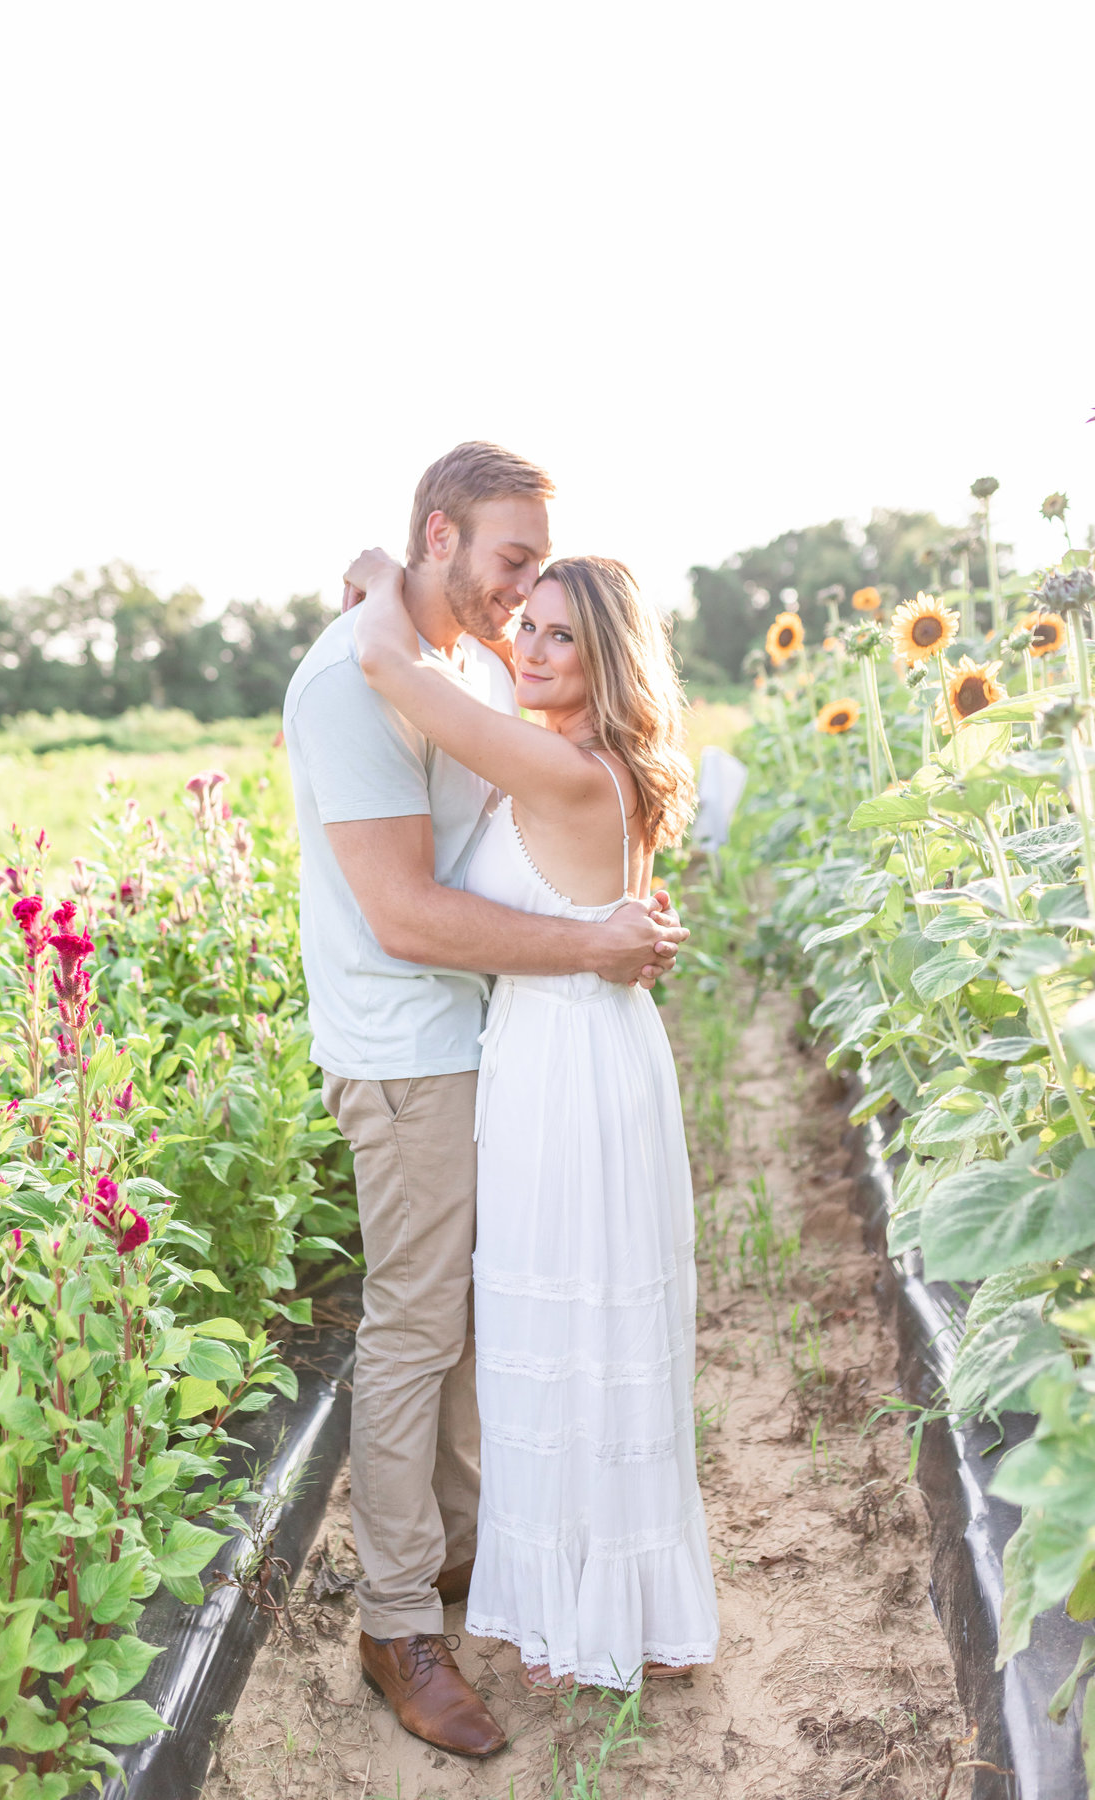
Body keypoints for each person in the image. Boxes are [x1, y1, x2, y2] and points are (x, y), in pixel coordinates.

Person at [282, 443, 687, 1758]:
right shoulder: (358, 678)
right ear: (440, 535)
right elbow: (403, 914)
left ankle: (461, 1558)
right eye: (513, 567)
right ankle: (400, 1620)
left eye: (547, 594)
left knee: (479, 1327)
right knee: (416, 1332)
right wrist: (594, 940)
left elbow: (524, 833)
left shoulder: (446, 667)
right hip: (411, 1051)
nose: (521, 605)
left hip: (495, 1044)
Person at [347, 546, 719, 1694]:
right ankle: (592, 1591)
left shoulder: (571, 773)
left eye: (562, 635)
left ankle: (592, 1609)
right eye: (531, 628)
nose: (533, 650)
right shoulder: (580, 760)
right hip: (566, 1049)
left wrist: (375, 584)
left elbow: (390, 667)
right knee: (567, 1328)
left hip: (569, 1068)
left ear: (607, 655)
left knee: (572, 1331)